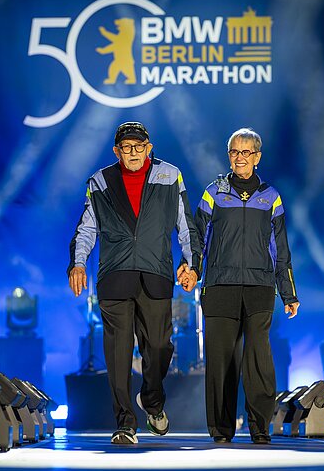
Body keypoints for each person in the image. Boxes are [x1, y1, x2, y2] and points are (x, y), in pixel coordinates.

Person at [68, 121, 201, 444]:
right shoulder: (100, 181)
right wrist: (78, 263)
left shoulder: (170, 176)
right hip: (114, 276)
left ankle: (152, 401)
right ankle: (124, 422)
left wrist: (192, 264)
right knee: (117, 352)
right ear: (117, 151)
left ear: (149, 147)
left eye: (139, 146)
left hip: (156, 275)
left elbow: (186, 226)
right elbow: (87, 228)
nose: (133, 152)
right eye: (126, 147)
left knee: (159, 347)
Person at [188, 127, 300, 444]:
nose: (240, 157)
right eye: (235, 152)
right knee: (221, 361)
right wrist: (193, 271)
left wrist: (288, 293)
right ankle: (221, 430)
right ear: (229, 156)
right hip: (220, 286)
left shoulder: (271, 197)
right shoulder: (214, 193)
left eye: (246, 152)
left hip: (259, 288)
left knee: (258, 360)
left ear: (257, 157)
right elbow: (198, 240)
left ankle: (259, 427)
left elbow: (281, 249)